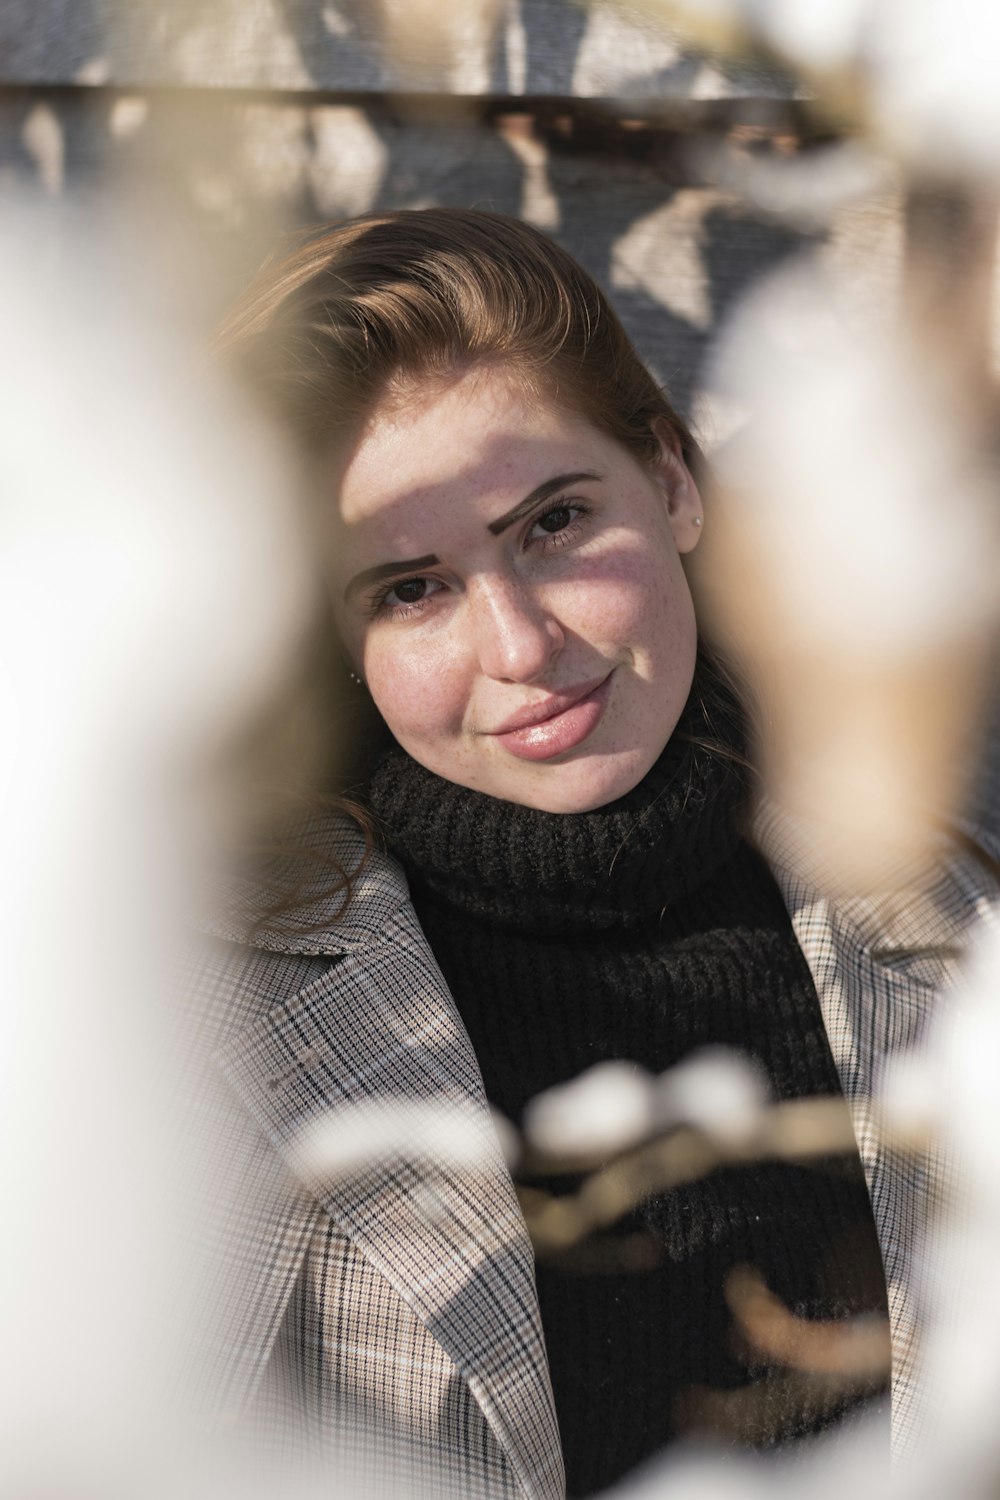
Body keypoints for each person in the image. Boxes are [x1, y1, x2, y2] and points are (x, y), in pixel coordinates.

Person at [190, 208, 998, 1499]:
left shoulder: (946, 932)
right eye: (411, 589)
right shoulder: (205, 1013)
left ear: (673, 482)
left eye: (553, 524)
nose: (519, 646)